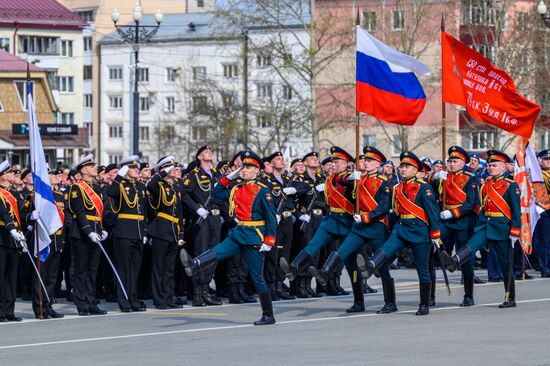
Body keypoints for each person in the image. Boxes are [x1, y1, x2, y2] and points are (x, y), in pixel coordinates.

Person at [180, 151, 278, 325]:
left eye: (248, 167)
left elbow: (271, 217)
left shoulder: (263, 191)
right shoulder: (236, 187)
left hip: (255, 236)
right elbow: (216, 193)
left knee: (257, 278)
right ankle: (195, 264)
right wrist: (228, 177)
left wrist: (269, 240)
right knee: (218, 251)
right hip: (238, 233)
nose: (244, 170)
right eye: (242, 166)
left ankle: (268, 314)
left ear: (257, 170)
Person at [310, 146, 392, 313]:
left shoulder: (384, 182)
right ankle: (327, 273)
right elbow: (341, 181)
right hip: (359, 226)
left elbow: (384, 207)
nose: (365, 163)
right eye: (364, 160)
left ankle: (390, 302)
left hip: (376, 227)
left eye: (369, 161)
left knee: (381, 267)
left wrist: (367, 217)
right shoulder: (358, 179)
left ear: (377, 165)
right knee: (343, 251)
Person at [357, 151, 441, 316]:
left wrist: (435, 234)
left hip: (419, 230)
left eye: (407, 166)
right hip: (402, 228)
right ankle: (371, 266)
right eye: (401, 165)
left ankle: (424, 304)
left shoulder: (424, 187)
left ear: (415, 169)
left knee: (422, 269)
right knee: (385, 250)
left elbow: (432, 212)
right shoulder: (398, 188)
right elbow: (394, 211)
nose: (403, 169)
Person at [446, 150, 521, 308]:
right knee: (471, 245)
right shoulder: (486, 183)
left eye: (495, 165)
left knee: (505, 263)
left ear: (503, 167)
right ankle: (454, 261)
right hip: (485, 224)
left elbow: (516, 210)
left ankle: (510, 297)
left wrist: (515, 230)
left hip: (501, 227)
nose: (491, 167)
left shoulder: (511, 185)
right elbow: (482, 206)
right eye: (489, 165)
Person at [279, 147, 355, 284]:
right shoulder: (330, 178)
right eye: (332, 162)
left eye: (336, 162)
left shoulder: (349, 178)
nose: (333, 164)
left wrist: (352, 177)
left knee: (347, 258)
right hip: (330, 219)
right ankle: (294, 267)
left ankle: (357, 298)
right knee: (313, 244)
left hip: (346, 221)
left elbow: (344, 180)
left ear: (345, 164)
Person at [433, 146, 480, 306]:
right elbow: (432, 194)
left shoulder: (470, 177)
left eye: (455, 161)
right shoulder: (443, 177)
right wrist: (435, 178)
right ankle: (430, 296)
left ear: (463, 163)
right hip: (446, 220)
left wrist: (454, 213)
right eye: (450, 161)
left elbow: (471, 202)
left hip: (463, 220)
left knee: (465, 258)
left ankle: (468, 295)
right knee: (431, 243)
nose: (451, 164)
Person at [21, 168, 66, 319]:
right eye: (52, 175)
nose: (56, 177)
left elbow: (63, 221)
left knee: (52, 277)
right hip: (42, 240)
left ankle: (48, 305)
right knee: (40, 275)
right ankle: (39, 307)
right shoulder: (35, 196)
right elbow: (23, 216)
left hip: (56, 240)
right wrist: (31, 217)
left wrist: (62, 240)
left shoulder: (60, 196)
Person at [181, 146, 223, 306]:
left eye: (210, 152)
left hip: (215, 218)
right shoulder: (193, 176)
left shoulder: (217, 175)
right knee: (201, 255)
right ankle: (198, 294)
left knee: (213, 255)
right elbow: (183, 194)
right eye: (205, 152)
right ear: (199, 157)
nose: (209, 153)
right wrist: (197, 209)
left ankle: (206, 291)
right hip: (203, 219)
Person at [67, 154, 108, 316]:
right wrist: (89, 231)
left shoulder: (96, 188)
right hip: (82, 233)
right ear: (83, 171)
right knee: (81, 270)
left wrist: (101, 228)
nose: (95, 168)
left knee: (92, 270)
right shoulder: (77, 188)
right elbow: (79, 211)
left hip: (96, 231)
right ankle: (81, 304)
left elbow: (98, 213)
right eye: (92, 167)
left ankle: (92, 303)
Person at [107, 156, 148, 312]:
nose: (137, 169)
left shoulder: (140, 186)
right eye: (133, 168)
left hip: (138, 231)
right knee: (124, 269)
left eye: (137, 167)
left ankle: (133, 299)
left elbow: (143, 211)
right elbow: (111, 193)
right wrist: (118, 176)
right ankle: (123, 301)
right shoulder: (120, 185)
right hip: (124, 231)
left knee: (135, 269)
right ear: (125, 170)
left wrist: (144, 230)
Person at [147, 156, 185, 310]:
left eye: (175, 167)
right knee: (158, 267)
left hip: (173, 230)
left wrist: (181, 233)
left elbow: (180, 213)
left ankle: (169, 297)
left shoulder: (176, 187)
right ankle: (159, 299)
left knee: (170, 268)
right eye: (170, 167)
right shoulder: (159, 186)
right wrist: (162, 173)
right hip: (161, 229)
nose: (174, 170)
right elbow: (151, 185)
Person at [0, 160, 26, 322]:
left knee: (11, 277)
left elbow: (20, 215)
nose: (12, 175)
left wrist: (30, 218)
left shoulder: (13, 194)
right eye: (9, 173)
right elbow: (3, 213)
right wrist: (12, 230)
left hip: (14, 238)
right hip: (2, 237)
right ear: (2, 177)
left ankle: (9, 310)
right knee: (1, 276)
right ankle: (1, 311)